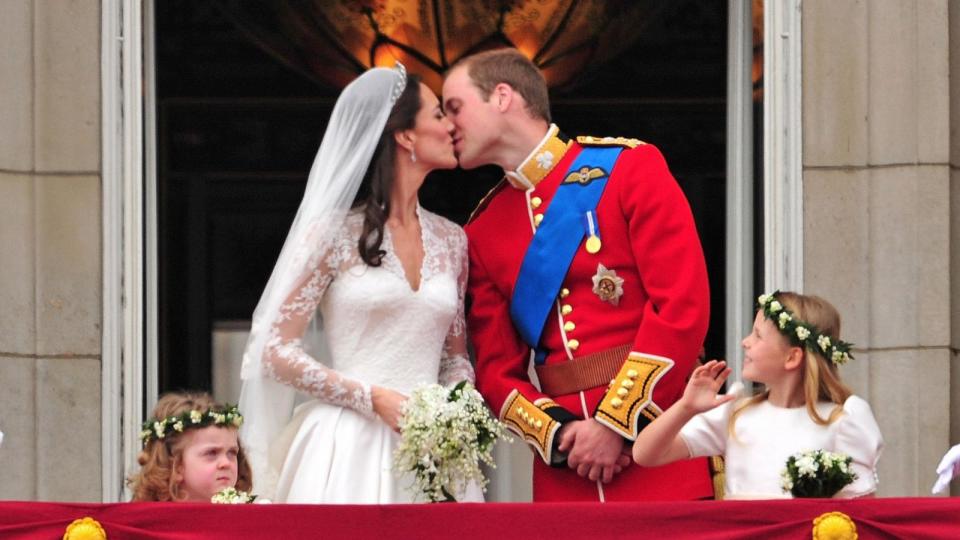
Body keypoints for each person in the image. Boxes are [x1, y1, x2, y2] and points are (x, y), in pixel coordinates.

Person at [442, 48, 713, 501]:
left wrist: (615, 423)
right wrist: (563, 437)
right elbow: (494, 371)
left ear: (503, 96)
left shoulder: (629, 169)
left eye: (455, 107)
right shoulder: (483, 229)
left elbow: (682, 309)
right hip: (567, 471)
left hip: (660, 444)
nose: (447, 124)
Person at [238, 64, 479, 504]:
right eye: (439, 114)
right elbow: (273, 351)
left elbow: (455, 358)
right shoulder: (332, 234)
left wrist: (454, 408)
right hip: (348, 447)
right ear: (405, 136)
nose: (452, 126)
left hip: (433, 452)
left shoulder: (452, 240)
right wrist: (372, 398)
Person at [632, 291, 884, 499]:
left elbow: (860, 512)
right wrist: (686, 407)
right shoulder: (736, 412)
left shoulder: (842, 418)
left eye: (758, 335)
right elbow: (646, 454)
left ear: (792, 357)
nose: (745, 342)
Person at [129, 391, 253, 502]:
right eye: (212, 453)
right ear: (175, 465)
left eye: (232, 453)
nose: (226, 463)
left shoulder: (245, 520)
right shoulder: (145, 521)